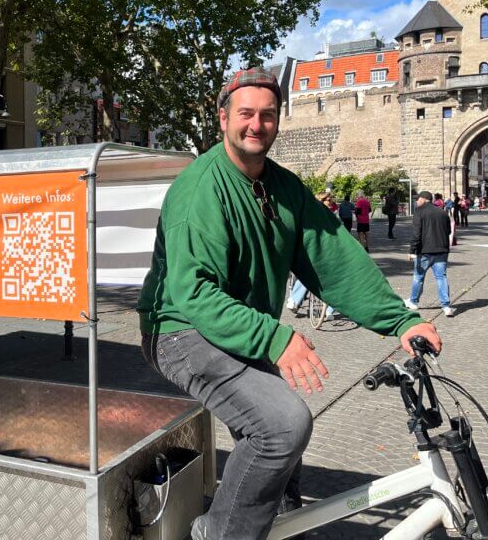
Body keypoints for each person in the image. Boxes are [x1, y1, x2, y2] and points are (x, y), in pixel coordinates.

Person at [137, 69, 441, 540]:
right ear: (223, 119)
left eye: (268, 115)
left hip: (235, 325)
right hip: (179, 330)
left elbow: (333, 259)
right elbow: (194, 293)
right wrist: (275, 339)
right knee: (282, 426)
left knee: (279, 432)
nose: (256, 125)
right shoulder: (200, 189)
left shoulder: (284, 188)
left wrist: (400, 320)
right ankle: (218, 534)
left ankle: (281, 521)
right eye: (246, 114)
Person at [405, 190, 454, 317]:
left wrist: (411, 250)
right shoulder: (442, 212)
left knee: (418, 277)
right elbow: (449, 231)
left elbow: (416, 234)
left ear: (423, 199)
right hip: (441, 250)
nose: (416, 202)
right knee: (441, 277)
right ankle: (446, 306)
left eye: (417, 199)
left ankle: (413, 301)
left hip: (424, 251)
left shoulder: (419, 212)